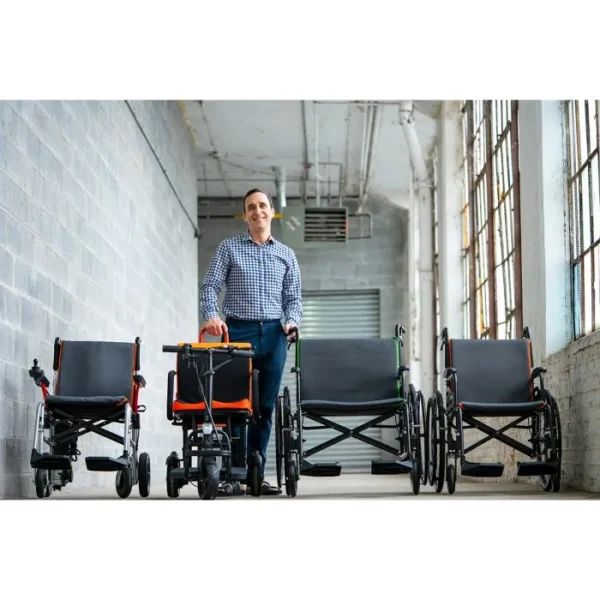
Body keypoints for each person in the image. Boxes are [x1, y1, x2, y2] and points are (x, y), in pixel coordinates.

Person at [200, 188, 302, 496]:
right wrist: (211, 315)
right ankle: (233, 474)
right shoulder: (229, 248)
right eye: (251, 207)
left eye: (262, 206)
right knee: (235, 406)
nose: (257, 211)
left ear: (272, 211)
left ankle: (255, 472)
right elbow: (210, 286)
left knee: (265, 406)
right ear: (245, 215)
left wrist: (292, 321)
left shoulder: (287, 255)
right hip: (238, 333)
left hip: (274, 334)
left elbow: (293, 298)